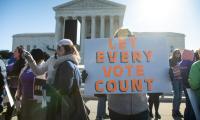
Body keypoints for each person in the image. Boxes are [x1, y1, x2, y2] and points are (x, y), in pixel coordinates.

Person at [23, 39, 81, 120]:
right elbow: (38, 71)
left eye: (58, 47)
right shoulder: (52, 59)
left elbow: (66, 87)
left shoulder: (68, 63)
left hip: (62, 98)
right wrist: (31, 60)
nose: (56, 49)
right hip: (51, 95)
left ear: (63, 49)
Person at [108, 28, 149, 120]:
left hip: (140, 108)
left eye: (128, 37)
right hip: (117, 110)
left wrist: (166, 75)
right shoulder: (108, 58)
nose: (125, 40)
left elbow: (153, 75)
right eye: (121, 38)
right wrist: (90, 77)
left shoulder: (143, 56)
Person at [53, 39, 89, 120]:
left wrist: (50, 88)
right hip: (73, 105)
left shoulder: (66, 64)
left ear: (62, 49)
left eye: (57, 49)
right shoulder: (72, 64)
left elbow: (64, 89)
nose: (56, 52)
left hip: (66, 108)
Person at [15, 49, 46, 120]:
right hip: (24, 102)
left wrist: (44, 106)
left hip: (37, 103)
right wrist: (17, 98)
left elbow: (45, 87)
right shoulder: (25, 68)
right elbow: (20, 84)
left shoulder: (42, 68)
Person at [5, 46, 26, 120]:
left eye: (15, 51)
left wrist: (10, 75)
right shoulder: (16, 61)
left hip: (17, 89)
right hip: (13, 87)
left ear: (20, 53)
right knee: (10, 107)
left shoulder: (23, 63)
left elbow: (21, 75)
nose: (14, 52)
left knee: (17, 109)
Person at [179, 49, 196, 120]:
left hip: (184, 85)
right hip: (191, 85)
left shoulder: (180, 63)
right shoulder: (191, 63)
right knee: (192, 104)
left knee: (188, 102)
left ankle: (186, 117)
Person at [169, 49, 183, 118]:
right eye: (176, 53)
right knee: (176, 96)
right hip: (175, 80)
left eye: (179, 53)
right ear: (174, 54)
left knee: (180, 96)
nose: (178, 54)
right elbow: (170, 70)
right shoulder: (171, 60)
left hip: (181, 80)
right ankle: (174, 111)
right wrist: (172, 79)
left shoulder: (182, 60)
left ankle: (178, 111)